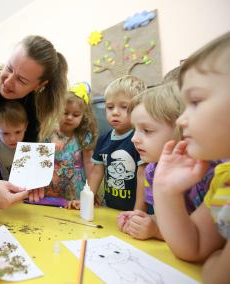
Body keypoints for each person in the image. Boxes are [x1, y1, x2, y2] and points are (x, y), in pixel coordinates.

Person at [0, 35, 68, 212]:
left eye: (22, 80)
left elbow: (28, 149)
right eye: (9, 68)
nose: (7, 82)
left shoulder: (36, 103)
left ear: (39, 85)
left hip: (6, 161)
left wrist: (33, 178)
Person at [153, 32, 230, 283]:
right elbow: (193, 246)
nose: (180, 119)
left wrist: (216, 264)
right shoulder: (224, 178)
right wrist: (166, 190)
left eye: (195, 101)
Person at [117, 83, 219, 240]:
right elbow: (165, 218)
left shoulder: (211, 174)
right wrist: (144, 221)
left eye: (147, 130)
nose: (134, 139)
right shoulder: (152, 170)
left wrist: (157, 231)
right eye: (134, 129)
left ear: (182, 129)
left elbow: (204, 237)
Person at [88, 75, 146, 211]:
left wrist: (138, 212)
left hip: (134, 211)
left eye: (124, 107)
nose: (115, 112)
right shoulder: (103, 139)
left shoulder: (139, 140)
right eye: (110, 107)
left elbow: (143, 176)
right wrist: (86, 200)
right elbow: (97, 172)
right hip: (109, 208)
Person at [43, 82, 98, 209]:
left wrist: (91, 192)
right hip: (52, 187)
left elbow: (89, 163)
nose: (69, 117)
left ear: (83, 117)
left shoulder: (84, 137)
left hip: (75, 188)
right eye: (65, 112)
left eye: (75, 115)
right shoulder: (48, 134)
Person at [0, 101, 28, 181]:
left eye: (18, 132)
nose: (13, 138)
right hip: (9, 187)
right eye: (6, 133)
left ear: (25, 126)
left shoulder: (30, 141)